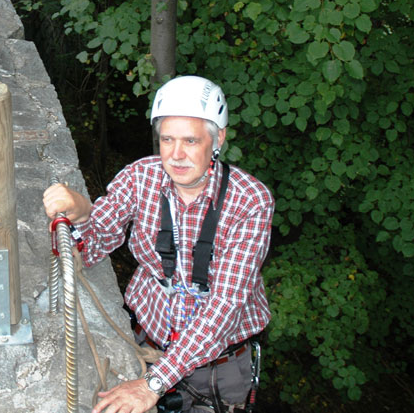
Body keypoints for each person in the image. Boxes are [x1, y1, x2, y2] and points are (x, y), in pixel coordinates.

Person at [43, 76, 274, 413]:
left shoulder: (249, 201)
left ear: (218, 138)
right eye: (167, 139)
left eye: (191, 141)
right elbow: (90, 248)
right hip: (147, 346)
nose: (176, 155)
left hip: (218, 368)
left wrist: (153, 384)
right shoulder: (141, 177)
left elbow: (225, 306)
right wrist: (81, 214)